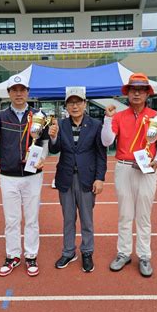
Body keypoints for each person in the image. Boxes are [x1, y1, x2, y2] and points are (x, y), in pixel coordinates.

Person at [0, 75, 49, 278]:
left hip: (33, 175)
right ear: (9, 93)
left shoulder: (39, 115)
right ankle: (12, 256)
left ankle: (31, 256)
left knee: (32, 218)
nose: (19, 93)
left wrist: (42, 158)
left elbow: (44, 143)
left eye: (22, 89)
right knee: (12, 219)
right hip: (8, 175)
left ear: (27, 92)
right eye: (14, 90)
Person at [101, 73, 157, 277]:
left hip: (147, 169)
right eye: (133, 89)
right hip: (123, 167)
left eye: (141, 89)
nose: (137, 93)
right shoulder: (119, 116)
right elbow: (106, 141)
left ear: (147, 93)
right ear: (127, 93)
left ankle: (144, 255)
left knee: (144, 215)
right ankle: (123, 252)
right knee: (124, 214)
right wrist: (107, 119)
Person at [48, 87, 107, 273]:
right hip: (65, 177)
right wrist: (54, 136)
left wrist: (99, 178)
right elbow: (55, 150)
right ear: (66, 105)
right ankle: (68, 251)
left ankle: (87, 252)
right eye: (71, 103)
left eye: (78, 102)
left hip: (87, 179)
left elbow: (101, 155)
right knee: (68, 218)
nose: (75, 106)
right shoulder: (61, 125)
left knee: (87, 220)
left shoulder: (96, 125)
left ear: (85, 103)